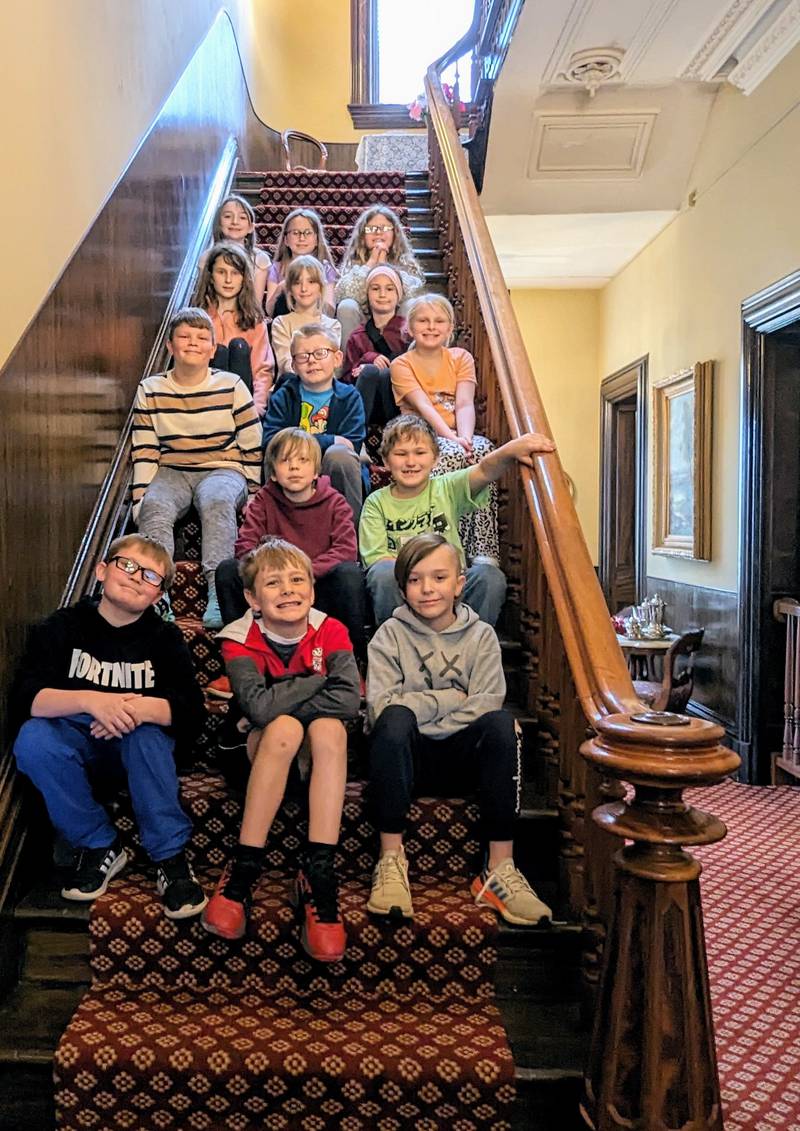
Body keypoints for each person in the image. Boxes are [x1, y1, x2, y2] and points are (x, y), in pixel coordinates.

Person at [11, 535, 206, 919]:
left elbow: (191, 713)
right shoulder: (64, 626)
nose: (136, 578)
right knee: (32, 739)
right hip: (77, 743)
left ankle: (169, 857)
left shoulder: (164, 638)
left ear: (158, 596)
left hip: (140, 749)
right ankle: (100, 843)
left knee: (146, 733)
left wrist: (133, 709)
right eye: (127, 566)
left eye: (150, 576)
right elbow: (27, 698)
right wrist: (91, 702)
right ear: (102, 570)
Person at [366, 533, 553, 927]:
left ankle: (499, 869)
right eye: (415, 580)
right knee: (394, 722)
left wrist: (419, 704)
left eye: (438, 577)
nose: (427, 589)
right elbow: (383, 707)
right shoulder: (388, 636)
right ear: (401, 588)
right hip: (407, 760)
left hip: (462, 759)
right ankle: (390, 859)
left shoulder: (482, 636)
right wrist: (451, 698)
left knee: (503, 725)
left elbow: (487, 702)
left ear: (459, 583)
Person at [202, 539, 360, 961]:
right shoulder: (238, 638)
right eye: (273, 583)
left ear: (311, 588)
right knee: (285, 726)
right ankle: (244, 866)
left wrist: (285, 694)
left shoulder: (332, 629)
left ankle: (318, 872)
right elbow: (257, 708)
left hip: (315, 766)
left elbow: (348, 702)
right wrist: (315, 680)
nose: (288, 590)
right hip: (253, 757)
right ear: (253, 598)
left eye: (297, 580)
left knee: (329, 728)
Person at [133, 307, 263, 630]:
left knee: (217, 501)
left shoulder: (232, 385)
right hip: (172, 467)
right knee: (156, 504)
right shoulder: (150, 390)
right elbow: (146, 449)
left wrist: (254, 489)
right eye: (185, 337)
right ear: (170, 346)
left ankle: (218, 591)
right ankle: (155, 590)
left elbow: (251, 441)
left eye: (202, 337)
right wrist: (139, 498)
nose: (193, 343)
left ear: (212, 347)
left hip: (223, 467)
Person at [358, 414, 556, 627]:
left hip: (451, 587)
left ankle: (470, 644)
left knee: (489, 576)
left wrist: (511, 450)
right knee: (383, 574)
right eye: (401, 454)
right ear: (386, 461)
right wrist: (422, 580)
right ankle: (398, 644)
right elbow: (379, 561)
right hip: (407, 590)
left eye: (420, 452)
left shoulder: (447, 487)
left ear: (435, 459)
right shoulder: (376, 503)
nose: (411, 461)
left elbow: (484, 469)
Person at [214, 427, 368, 661]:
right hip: (273, 590)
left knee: (349, 574)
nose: (294, 467)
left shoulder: (335, 502)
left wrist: (303, 575)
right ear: (273, 473)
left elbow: (346, 550)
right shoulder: (264, 500)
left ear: (316, 470)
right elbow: (246, 546)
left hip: (318, 588)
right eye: (286, 461)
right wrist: (278, 576)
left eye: (303, 460)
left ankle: (352, 662)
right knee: (228, 570)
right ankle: (242, 659)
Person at [391, 293, 497, 561]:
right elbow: (425, 408)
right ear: (410, 327)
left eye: (439, 321)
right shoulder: (401, 364)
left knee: (485, 451)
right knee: (448, 455)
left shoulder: (461, 357)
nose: (431, 327)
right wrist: (452, 439)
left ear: (450, 328)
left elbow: (464, 404)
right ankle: (450, 548)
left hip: (458, 433)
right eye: (423, 320)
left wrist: (467, 439)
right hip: (420, 432)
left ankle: (483, 549)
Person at [262, 324, 366, 524]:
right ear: (293, 365)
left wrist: (300, 443)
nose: (311, 361)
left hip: (333, 469)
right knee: (276, 455)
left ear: (337, 358)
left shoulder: (350, 397)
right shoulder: (284, 396)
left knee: (340, 455)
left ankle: (350, 538)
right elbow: (271, 441)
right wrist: (330, 439)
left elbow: (351, 445)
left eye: (320, 353)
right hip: (292, 468)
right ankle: (277, 536)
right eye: (303, 356)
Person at [196, 241, 275, 415]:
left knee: (238, 346)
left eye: (235, 273)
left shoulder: (254, 321)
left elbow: (262, 370)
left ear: (244, 278)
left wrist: (258, 406)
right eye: (221, 272)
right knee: (220, 352)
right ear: (210, 276)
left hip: (243, 406)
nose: (228, 280)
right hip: (206, 402)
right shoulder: (198, 317)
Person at [334, 206, 425, 346]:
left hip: (396, 320)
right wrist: (370, 265)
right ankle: (349, 364)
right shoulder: (352, 263)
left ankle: (404, 360)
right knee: (346, 306)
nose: (378, 233)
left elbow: (413, 293)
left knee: (411, 305)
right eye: (371, 229)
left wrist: (385, 269)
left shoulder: (407, 264)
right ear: (363, 236)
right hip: (364, 321)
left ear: (395, 233)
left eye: (384, 228)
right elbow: (343, 293)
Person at [342, 264, 407, 433]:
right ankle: (356, 434)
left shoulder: (408, 331)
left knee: (386, 373)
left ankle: (397, 432)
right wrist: (366, 363)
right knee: (370, 371)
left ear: (398, 295)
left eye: (389, 289)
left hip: (396, 401)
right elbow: (346, 380)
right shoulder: (358, 335)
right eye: (375, 288)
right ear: (368, 294)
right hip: (366, 402)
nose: (382, 294)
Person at [270, 256, 342, 376]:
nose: (304, 288)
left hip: (323, 387)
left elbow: (329, 365)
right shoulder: (281, 323)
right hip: (292, 385)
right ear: (290, 290)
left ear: (321, 287)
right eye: (297, 283)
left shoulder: (332, 325)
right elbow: (286, 363)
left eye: (311, 282)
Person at [199, 194, 271, 306]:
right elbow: (203, 298)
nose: (235, 222)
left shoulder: (260, 259)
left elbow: (255, 304)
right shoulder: (206, 258)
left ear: (251, 227)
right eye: (228, 216)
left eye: (242, 217)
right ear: (219, 223)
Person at [265, 208, 337, 319]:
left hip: (316, 324)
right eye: (295, 233)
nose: (301, 238)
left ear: (317, 239)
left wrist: (315, 290)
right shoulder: (277, 267)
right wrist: (283, 286)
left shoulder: (325, 268)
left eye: (308, 233)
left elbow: (330, 311)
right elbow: (270, 311)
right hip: (286, 325)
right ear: (286, 240)